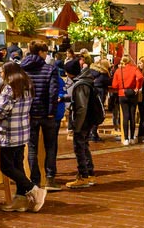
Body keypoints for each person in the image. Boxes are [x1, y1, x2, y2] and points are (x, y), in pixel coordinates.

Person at [0, 61, 48, 212]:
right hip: (22, 131)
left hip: (10, 132)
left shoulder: (9, 88)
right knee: (17, 165)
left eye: (2, 72)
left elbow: (0, 112)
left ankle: (34, 189)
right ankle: (21, 199)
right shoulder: (27, 87)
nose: (1, 74)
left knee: (6, 166)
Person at [22, 40, 64, 190]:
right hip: (46, 114)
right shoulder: (50, 69)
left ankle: (34, 181)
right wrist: (52, 111)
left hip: (29, 113)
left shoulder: (22, 68)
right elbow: (52, 92)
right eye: (45, 52)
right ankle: (50, 179)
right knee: (51, 146)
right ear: (40, 52)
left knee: (32, 147)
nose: (47, 55)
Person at [64, 58, 102, 188]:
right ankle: (90, 174)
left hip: (83, 120)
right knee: (84, 146)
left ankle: (83, 176)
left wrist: (76, 126)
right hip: (89, 119)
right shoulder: (86, 81)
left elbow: (81, 107)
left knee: (79, 147)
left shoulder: (80, 85)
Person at [112, 55, 144, 145]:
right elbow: (141, 77)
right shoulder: (134, 69)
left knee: (125, 116)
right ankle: (132, 137)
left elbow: (114, 85)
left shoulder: (118, 71)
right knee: (132, 115)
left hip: (122, 94)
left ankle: (126, 139)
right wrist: (137, 87)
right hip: (133, 94)